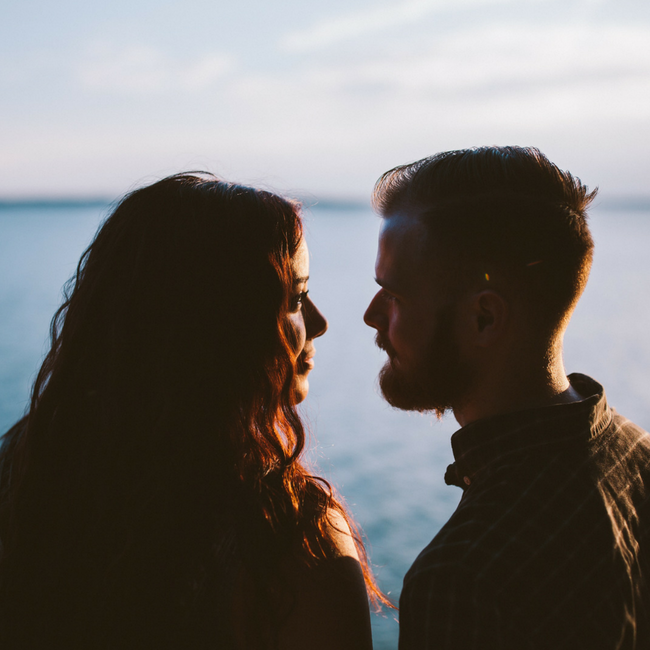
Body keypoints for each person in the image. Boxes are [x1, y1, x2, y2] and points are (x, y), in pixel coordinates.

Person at [0, 173, 387, 649]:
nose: (320, 324)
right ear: (222, 321)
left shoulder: (25, 476)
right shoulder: (291, 542)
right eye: (296, 297)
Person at [363, 146, 650, 649]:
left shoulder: (464, 577)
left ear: (484, 319)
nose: (371, 315)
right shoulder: (637, 453)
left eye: (395, 296)